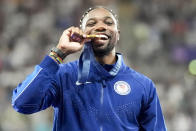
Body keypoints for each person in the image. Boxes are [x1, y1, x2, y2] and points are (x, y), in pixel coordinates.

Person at [12, 6, 167, 131]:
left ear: (117, 34)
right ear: (82, 34)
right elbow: (22, 104)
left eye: (108, 23)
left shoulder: (143, 85)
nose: (100, 26)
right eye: (91, 24)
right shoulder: (63, 75)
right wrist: (59, 52)